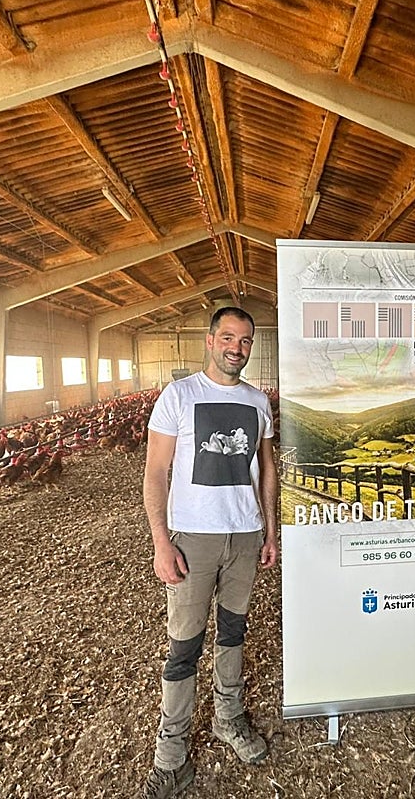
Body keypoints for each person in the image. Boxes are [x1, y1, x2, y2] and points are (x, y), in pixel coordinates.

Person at [140, 306, 280, 798]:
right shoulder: (179, 396)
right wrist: (161, 541)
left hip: (243, 535)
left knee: (234, 632)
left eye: (245, 341)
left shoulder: (258, 402)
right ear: (210, 340)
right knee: (184, 646)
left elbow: (266, 469)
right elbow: (155, 472)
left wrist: (269, 531)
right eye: (228, 338)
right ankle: (171, 754)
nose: (236, 348)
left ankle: (227, 716)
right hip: (192, 540)